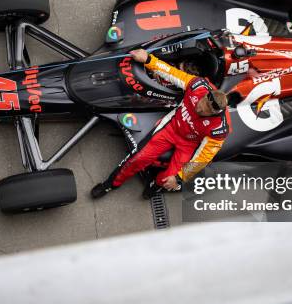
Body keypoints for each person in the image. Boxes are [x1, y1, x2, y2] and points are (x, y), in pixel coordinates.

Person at [91, 48, 231, 199]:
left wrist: (179, 178)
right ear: (205, 95)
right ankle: (110, 185)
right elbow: (171, 73)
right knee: (138, 158)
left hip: (188, 144)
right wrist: (148, 59)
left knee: (170, 181)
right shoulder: (198, 86)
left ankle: (156, 185)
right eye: (201, 102)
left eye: (205, 111)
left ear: (215, 113)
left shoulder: (219, 128)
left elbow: (204, 157)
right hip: (170, 128)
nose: (200, 108)